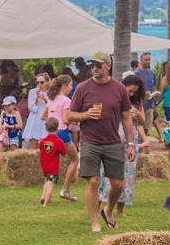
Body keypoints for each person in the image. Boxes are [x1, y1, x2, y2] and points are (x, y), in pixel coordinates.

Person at [67, 50, 136, 233]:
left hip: (113, 141)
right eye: (93, 65)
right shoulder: (83, 88)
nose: (94, 69)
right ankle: (95, 223)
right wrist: (86, 115)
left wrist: (130, 144)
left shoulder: (119, 89)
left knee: (118, 184)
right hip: (90, 141)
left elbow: (126, 118)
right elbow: (69, 115)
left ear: (108, 66)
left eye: (98, 65)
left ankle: (108, 210)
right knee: (93, 181)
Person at [97, 75, 151, 217]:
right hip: (113, 138)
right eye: (130, 90)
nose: (132, 94)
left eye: (134, 92)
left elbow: (141, 122)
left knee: (127, 174)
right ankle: (99, 205)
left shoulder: (136, 101)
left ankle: (120, 209)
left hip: (130, 141)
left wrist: (137, 115)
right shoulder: (114, 97)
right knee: (106, 174)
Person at [42, 74, 79, 202]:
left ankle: (45, 195)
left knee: (50, 163)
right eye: (70, 85)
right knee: (75, 159)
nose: (71, 87)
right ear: (65, 86)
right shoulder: (66, 100)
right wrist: (74, 122)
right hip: (62, 132)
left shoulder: (51, 99)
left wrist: (52, 123)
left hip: (51, 132)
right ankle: (65, 189)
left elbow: (43, 116)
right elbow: (65, 119)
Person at [39, 117, 67, 206]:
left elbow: (41, 150)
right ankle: (46, 203)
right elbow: (64, 153)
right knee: (51, 184)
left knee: (46, 181)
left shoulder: (43, 141)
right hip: (53, 167)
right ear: (57, 127)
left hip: (44, 165)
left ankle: (43, 197)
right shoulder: (58, 141)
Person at [134, 53, 159, 140]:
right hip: (139, 105)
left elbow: (154, 87)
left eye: (149, 59)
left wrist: (155, 98)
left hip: (149, 104)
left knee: (147, 126)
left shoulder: (152, 73)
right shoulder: (137, 73)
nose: (148, 61)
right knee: (138, 125)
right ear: (141, 60)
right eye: (146, 60)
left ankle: (143, 143)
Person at [23, 73, 49, 149]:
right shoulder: (32, 92)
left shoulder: (49, 92)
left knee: (45, 146)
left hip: (44, 119)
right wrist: (37, 97)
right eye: (37, 82)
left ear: (46, 82)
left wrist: (44, 99)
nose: (39, 84)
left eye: (42, 82)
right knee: (33, 146)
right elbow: (31, 108)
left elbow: (51, 106)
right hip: (34, 119)